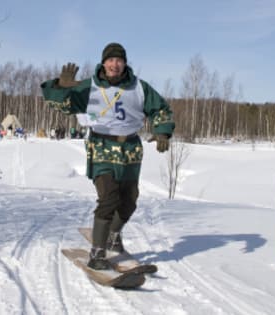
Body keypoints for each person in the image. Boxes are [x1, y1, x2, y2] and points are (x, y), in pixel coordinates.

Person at [41, 43, 175, 270]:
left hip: (130, 148)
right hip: (101, 145)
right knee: (108, 198)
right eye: (110, 60)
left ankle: (113, 235)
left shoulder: (139, 87)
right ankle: (98, 253)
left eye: (119, 60)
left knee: (129, 201)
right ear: (103, 63)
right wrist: (61, 87)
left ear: (124, 63)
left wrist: (162, 130)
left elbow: (160, 109)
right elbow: (61, 105)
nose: (114, 64)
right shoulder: (89, 86)